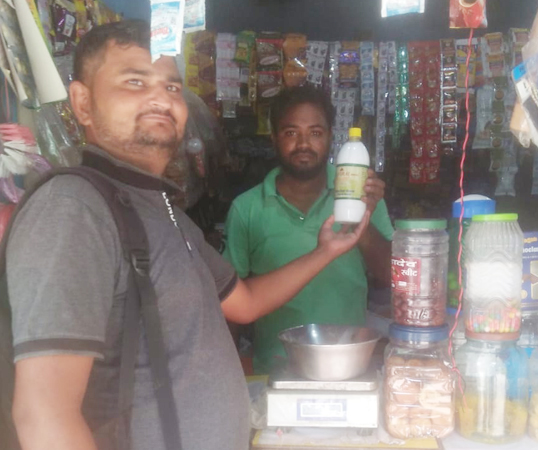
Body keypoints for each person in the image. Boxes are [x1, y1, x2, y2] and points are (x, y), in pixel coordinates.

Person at [7, 21, 370, 450]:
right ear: (82, 103)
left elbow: (246, 303)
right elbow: (44, 415)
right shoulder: (74, 208)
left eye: (172, 87)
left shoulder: (163, 211)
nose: (161, 98)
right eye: (135, 81)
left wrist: (327, 251)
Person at [223, 86, 394, 374]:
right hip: (275, 369)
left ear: (330, 137)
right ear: (274, 138)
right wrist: (227, 370)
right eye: (291, 132)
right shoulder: (247, 208)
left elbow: (391, 275)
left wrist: (360, 221)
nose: (303, 144)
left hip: (349, 365)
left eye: (315, 132)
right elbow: (230, 302)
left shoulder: (362, 195)